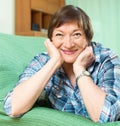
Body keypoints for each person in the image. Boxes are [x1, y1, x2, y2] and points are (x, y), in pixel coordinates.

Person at [4, 5, 120, 123]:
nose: (68, 44)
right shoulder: (43, 60)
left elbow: (106, 116)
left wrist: (80, 69)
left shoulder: (107, 59)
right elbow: (13, 108)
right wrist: (54, 62)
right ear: (51, 40)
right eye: (59, 35)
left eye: (76, 35)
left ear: (88, 38)